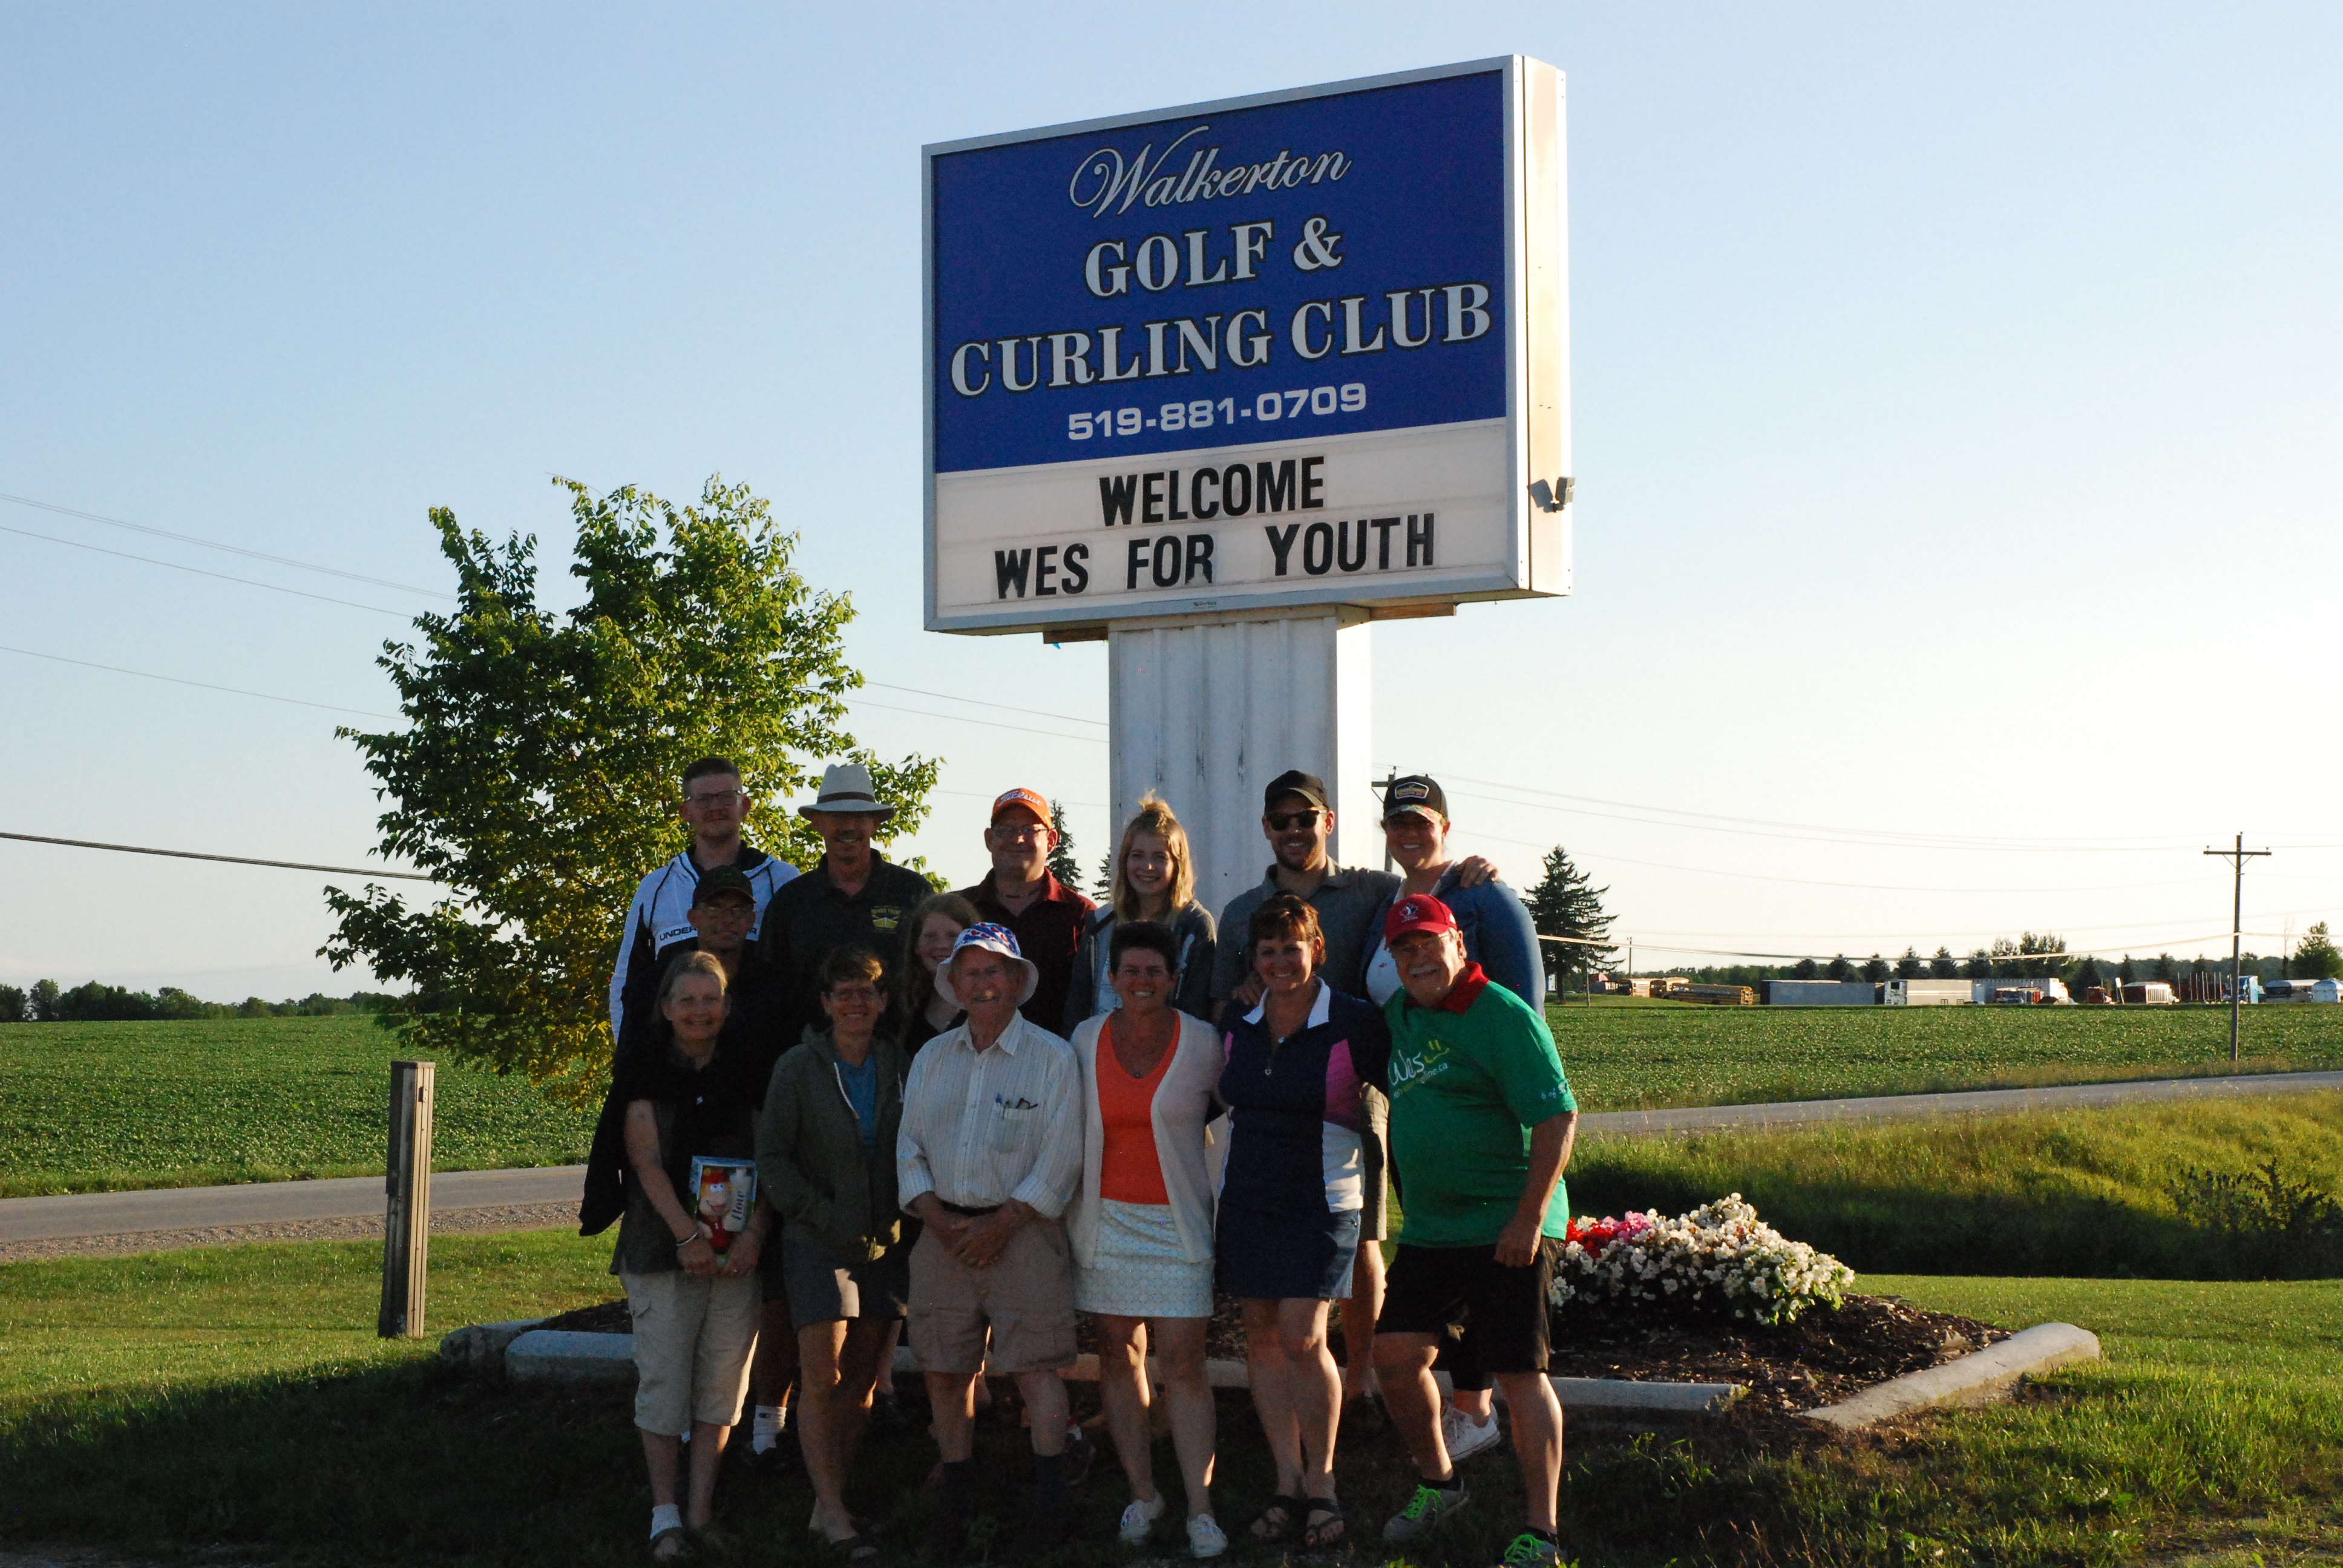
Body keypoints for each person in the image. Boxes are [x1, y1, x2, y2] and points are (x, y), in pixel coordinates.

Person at [1210, 769, 1495, 1429]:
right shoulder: (1241, 910)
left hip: (1353, 1082)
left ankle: (1362, 1378)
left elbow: (1424, 889)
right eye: (1281, 820)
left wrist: (1468, 871)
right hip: (1277, 1085)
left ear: (1328, 823)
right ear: (1266, 828)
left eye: (1305, 818)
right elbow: (1224, 998)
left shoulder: (1370, 889)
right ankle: (1313, 1393)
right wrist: (1245, 996)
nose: (1294, 830)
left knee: (1362, 1237)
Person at [1369, 895, 1579, 1568]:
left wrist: (1528, 1219)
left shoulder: (1502, 1016)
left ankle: (1541, 1533)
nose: (1417, 958)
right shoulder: (1400, 1015)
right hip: (1433, 1231)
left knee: (1519, 1374)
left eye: (1428, 943)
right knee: (1393, 1357)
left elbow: (1557, 1118)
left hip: (1506, 1223)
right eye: (1404, 950)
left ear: (1458, 943)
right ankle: (1441, 1484)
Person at [1359, 774, 1544, 1464]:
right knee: (1441, 1258)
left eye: (1422, 821)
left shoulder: (1482, 895)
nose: (1409, 833)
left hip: (1481, 1117)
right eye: (1397, 822)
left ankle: (1473, 1405)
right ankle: (1465, 1410)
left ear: (1445, 826)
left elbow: (1523, 1009)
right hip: (1410, 1101)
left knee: (1483, 1262)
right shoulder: (1386, 902)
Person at [896, 925, 1085, 1560]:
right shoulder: (932, 1058)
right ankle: (956, 1503)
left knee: (1036, 1369)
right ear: (952, 985)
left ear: (1017, 981)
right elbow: (908, 1145)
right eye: (970, 973)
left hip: (1025, 1232)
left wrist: (1003, 1223)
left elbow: (1062, 1154)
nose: (982, 984)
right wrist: (933, 1214)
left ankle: (1051, 1508)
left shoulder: (1052, 1057)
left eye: (994, 971)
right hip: (942, 1234)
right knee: (944, 1371)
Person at [1213, 895, 1389, 1552]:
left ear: (1316, 947)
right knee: (1260, 1339)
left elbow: (1406, 1093)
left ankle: (1323, 1484)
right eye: (1267, 951)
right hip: (1248, 1199)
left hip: (1321, 1199)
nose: (1280, 961)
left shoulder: (1354, 1021)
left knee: (1303, 1338)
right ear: (1254, 961)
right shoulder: (1239, 1018)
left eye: (1292, 947)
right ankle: (1286, 1482)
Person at [597, 950, 772, 1559]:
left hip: (738, 1256)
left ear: (727, 1005)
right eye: (688, 1000)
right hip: (660, 1247)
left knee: (721, 1388)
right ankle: (664, 1516)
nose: (701, 1011)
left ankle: (701, 1512)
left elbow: (773, 1159)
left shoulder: (751, 1071)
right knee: (665, 1384)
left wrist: (753, 1235)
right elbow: (644, 1161)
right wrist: (688, 1237)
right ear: (667, 1008)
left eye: (711, 999)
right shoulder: (644, 1071)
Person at [1067, 921, 1227, 1560]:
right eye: (1129, 971)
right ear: (1111, 978)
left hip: (1178, 1225)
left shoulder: (1204, 1041)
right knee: (1118, 1358)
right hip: (1102, 1221)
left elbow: (1228, 1110)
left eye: (1153, 972)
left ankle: (1200, 1508)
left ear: (1173, 979)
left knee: (1183, 1365)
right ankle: (1143, 1494)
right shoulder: (1083, 1040)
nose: (1141, 982)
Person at [756, 947, 911, 1563]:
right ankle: (834, 1512)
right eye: (843, 993)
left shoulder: (900, 1065)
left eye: (866, 992)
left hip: (885, 1243)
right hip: (817, 1242)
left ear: (882, 1001)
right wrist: (821, 1214)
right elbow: (773, 1158)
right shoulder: (798, 1068)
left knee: (863, 1380)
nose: (855, 1003)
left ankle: (830, 1506)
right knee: (821, 1375)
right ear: (825, 1003)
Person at [610, 754, 798, 1042]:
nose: (715, 808)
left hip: (766, 1054)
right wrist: (627, 1055)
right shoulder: (656, 886)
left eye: (726, 797)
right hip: (675, 1058)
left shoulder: (783, 879)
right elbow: (626, 981)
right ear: (686, 812)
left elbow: (804, 973)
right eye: (703, 800)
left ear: (745, 805)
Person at [759, 762, 936, 1051]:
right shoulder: (791, 902)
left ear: (875, 823)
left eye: (859, 817)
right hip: (813, 1060)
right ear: (817, 823)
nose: (849, 827)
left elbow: (937, 977)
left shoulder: (912, 893)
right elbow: (771, 992)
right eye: (838, 817)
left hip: (905, 1055)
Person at [1064, 793, 1217, 1033]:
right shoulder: (1099, 924)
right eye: (1138, 855)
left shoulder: (1195, 926)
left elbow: (1197, 1012)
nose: (1147, 867)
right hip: (1101, 1050)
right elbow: (1077, 1010)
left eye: (1160, 857)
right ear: (1124, 861)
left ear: (1177, 865)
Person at [956, 786, 1095, 1029]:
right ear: (989, 839)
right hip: (970, 1050)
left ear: (1051, 841)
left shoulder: (1081, 915)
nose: (1017, 839)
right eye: (1005, 830)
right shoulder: (958, 910)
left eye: (1029, 830)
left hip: (1060, 1052)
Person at [894, 892, 981, 1057]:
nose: (942, 945)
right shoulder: (900, 1003)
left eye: (953, 936)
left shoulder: (991, 1002)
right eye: (931, 936)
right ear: (916, 945)